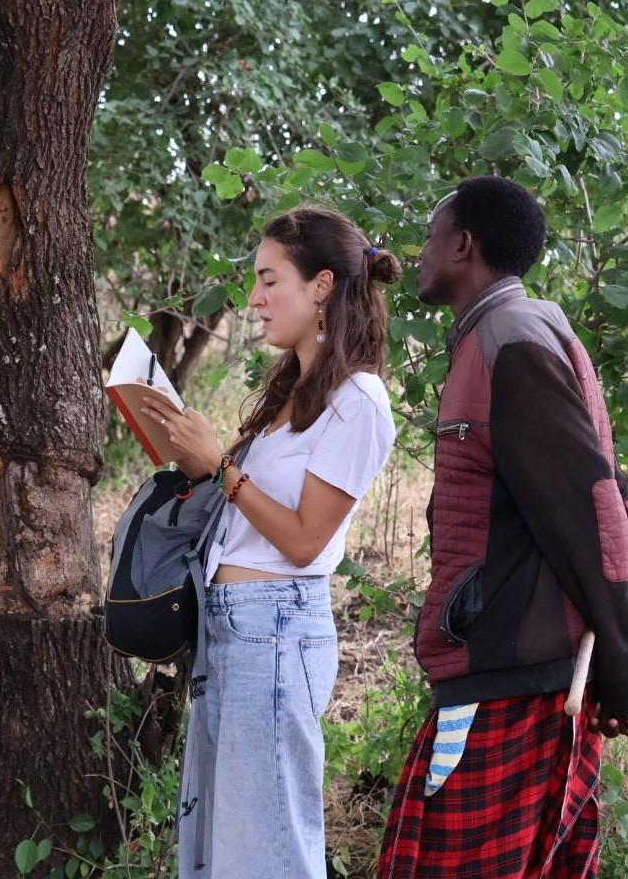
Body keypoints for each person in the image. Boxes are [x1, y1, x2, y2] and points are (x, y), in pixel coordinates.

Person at [378, 176, 628, 878]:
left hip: (515, 683)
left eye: (430, 238)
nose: (420, 254)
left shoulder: (509, 339)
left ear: (463, 245)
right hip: (511, 670)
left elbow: (585, 503)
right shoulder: (501, 335)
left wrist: (620, 653)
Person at [141, 207, 400, 878]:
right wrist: (195, 455)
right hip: (232, 629)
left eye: (268, 279)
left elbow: (305, 540)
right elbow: (240, 502)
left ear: (321, 285)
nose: (253, 299)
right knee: (224, 848)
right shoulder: (293, 392)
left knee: (268, 848)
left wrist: (223, 469)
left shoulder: (359, 400)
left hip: (276, 630)